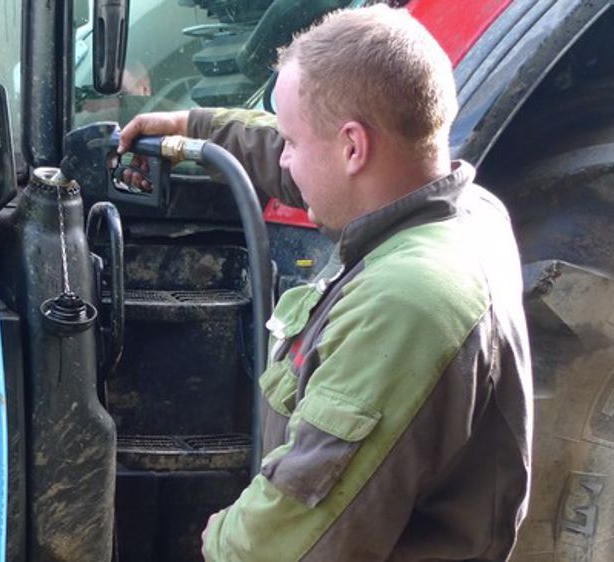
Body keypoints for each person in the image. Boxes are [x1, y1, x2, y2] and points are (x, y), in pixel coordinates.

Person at [117, 5, 532, 561]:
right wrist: (195, 126)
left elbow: (289, 540)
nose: (285, 159)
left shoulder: (407, 303)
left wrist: (221, 538)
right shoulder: (466, 208)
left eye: (292, 140)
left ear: (354, 148)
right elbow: (307, 156)